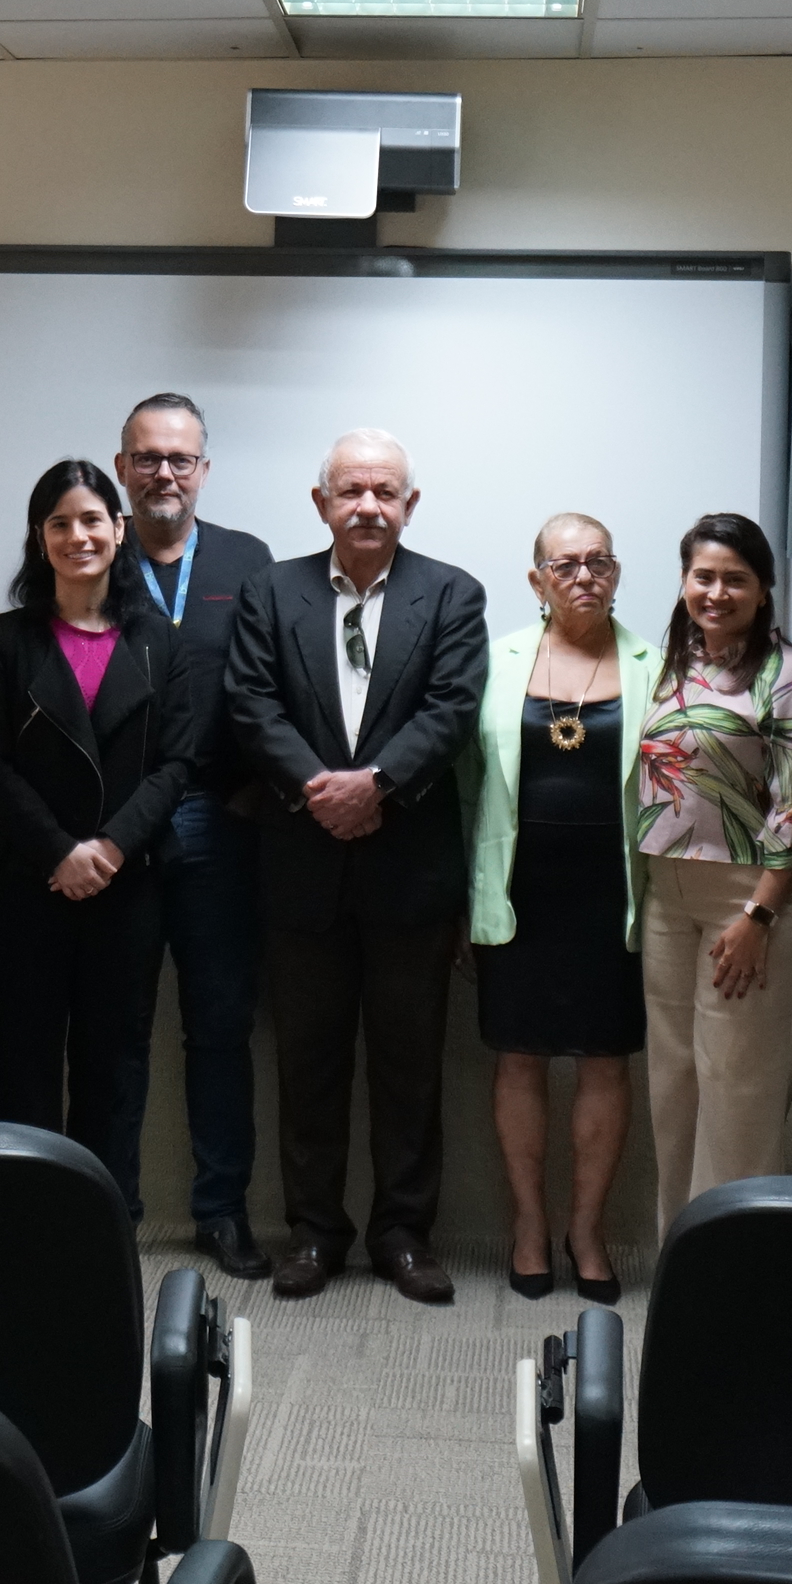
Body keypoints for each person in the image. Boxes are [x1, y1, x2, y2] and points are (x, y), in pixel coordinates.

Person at [222, 429, 490, 1305]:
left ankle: (404, 1236)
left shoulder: (452, 594)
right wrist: (318, 788)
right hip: (301, 866)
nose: (369, 505)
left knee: (411, 1065)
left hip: (408, 869)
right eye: (352, 490)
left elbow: (453, 708)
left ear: (410, 505)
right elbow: (249, 701)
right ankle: (313, 1233)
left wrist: (374, 784)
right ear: (321, 502)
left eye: (386, 491)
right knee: (308, 1062)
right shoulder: (271, 590)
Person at [0, 458, 193, 1202]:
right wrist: (60, 851)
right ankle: (28, 1225)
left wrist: (110, 848)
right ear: (40, 538)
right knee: (28, 1065)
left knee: (116, 1066)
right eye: (60, 522)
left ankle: (106, 1225)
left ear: (119, 529)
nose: (78, 535)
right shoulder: (5, 639)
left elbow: (175, 764)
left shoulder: (161, 638)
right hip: (27, 884)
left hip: (128, 888)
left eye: (92, 519)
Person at [464, 515, 658, 1302]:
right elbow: (463, 785)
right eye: (567, 564)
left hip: (615, 893)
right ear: (537, 579)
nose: (586, 575)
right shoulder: (495, 660)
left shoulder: (658, 660)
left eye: (600, 562)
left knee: (605, 1059)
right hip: (517, 890)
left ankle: (587, 1230)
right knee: (519, 1056)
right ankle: (528, 1228)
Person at [117, 394, 279, 1277]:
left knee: (220, 1026)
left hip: (222, 822)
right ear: (122, 469)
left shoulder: (248, 559)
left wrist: (256, 791)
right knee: (120, 1026)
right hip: (122, 830)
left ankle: (221, 1211)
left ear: (204, 470)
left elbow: (276, 683)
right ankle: (115, 1208)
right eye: (148, 458)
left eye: (180, 459)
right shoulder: (92, 553)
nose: (164, 474)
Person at [634, 511, 792, 1228]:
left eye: (735, 579)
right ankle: (677, 1265)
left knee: (738, 1099)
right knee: (675, 1090)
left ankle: (732, 1283)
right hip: (667, 899)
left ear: (764, 589)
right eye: (703, 576)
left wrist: (759, 916)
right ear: (684, 581)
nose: (716, 592)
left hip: (750, 906)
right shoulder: (667, 666)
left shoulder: (789, 675)